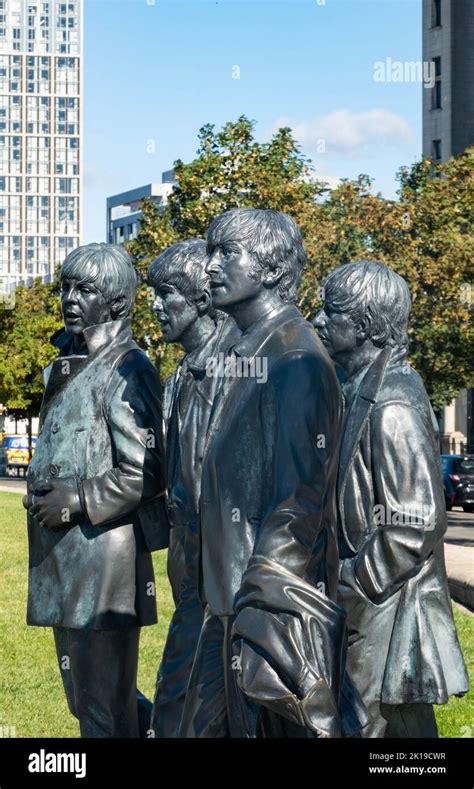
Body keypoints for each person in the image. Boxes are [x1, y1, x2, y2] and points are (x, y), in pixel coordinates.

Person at [178, 209, 349, 738]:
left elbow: (299, 501)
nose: (209, 268)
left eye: (227, 253)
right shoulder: (248, 350)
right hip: (227, 600)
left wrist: (259, 610)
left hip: (260, 608)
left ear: (273, 270)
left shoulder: (295, 360)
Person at [313, 259, 469, 737]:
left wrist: (355, 580)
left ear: (362, 326)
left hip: (385, 606)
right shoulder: (360, 387)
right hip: (372, 606)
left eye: (330, 312)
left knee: (370, 727)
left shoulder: (391, 400)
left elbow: (416, 520)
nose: (318, 320)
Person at [23, 242, 167, 738]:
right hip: (66, 563)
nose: (70, 298)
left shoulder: (130, 368)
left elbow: (147, 469)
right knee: (86, 704)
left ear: (118, 303)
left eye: (86, 289)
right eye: (66, 286)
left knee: (104, 709)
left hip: (105, 566)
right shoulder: (69, 362)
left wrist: (79, 498)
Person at [147, 239, 240, 737]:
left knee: (190, 714)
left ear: (202, 300)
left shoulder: (237, 368)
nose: (157, 307)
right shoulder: (181, 374)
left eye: (167, 295)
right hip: (191, 579)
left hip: (225, 583)